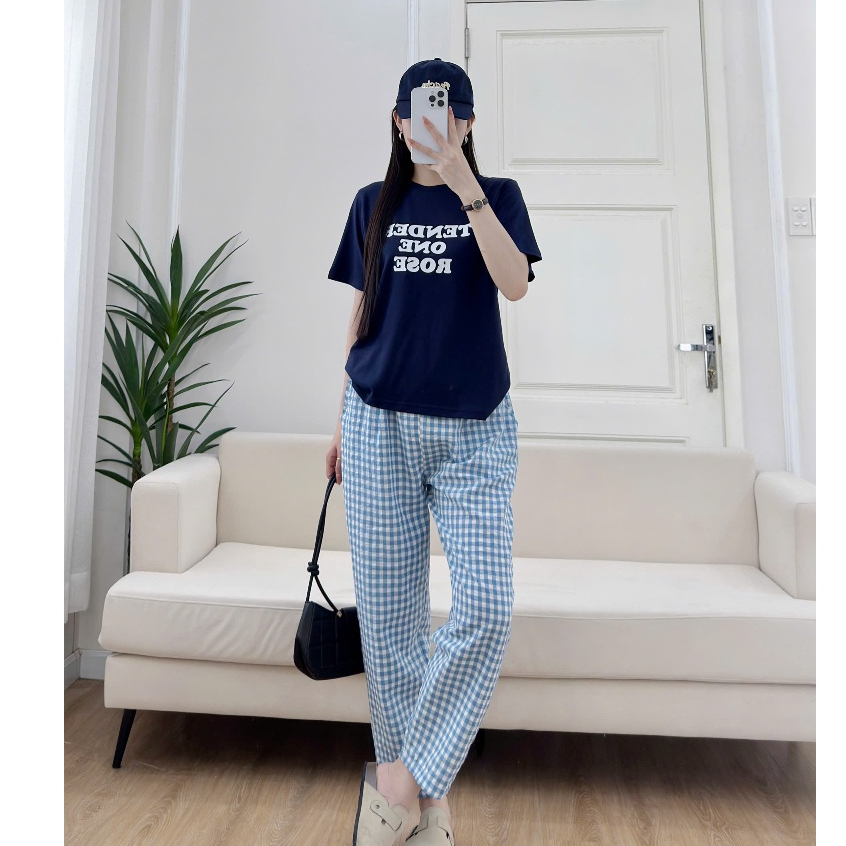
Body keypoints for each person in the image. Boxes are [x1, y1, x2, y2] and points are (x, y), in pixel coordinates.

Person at [325, 58, 542, 846]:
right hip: (376, 420)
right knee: (389, 627)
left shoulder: (498, 197)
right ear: (398, 120)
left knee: (484, 608)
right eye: (418, 111)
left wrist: (462, 184)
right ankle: (422, 819)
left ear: (468, 121)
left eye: (450, 112)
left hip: (473, 426)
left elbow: (515, 284)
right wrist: (340, 420)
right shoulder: (371, 203)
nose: (433, 124)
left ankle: (397, 785)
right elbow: (364, 314)